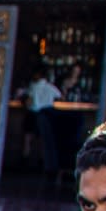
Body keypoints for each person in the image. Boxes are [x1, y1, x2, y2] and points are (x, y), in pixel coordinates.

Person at [26, 65, 63, 193]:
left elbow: (29, 102)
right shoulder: (50, 87)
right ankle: (43, 161)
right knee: (45, 140)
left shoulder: (34, 86)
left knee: (30, 138)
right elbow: (60, 96)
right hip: (48, 115)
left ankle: (29, 159)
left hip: (35, 114)